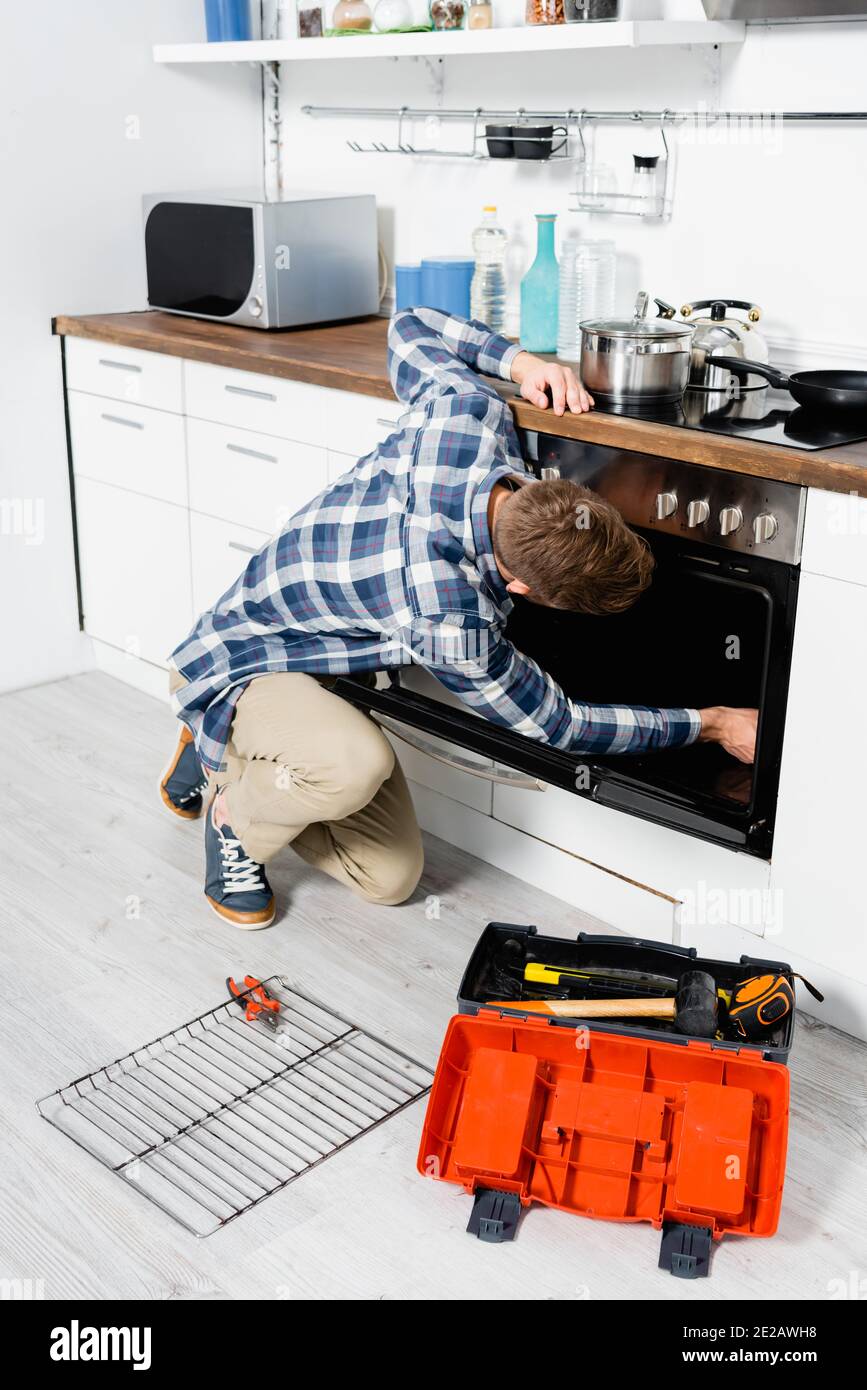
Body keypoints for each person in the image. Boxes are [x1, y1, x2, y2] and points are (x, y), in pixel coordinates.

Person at [160, 308, 757, 929]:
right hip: (247, 654)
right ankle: (231, 810)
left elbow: (411, 324)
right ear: (522, 585)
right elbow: (561, 725)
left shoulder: (467, 417)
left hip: (332, 660)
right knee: (350, 765)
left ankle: (228, 750)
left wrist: (524, 366)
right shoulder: (450, 619)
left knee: (389, 880)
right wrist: (713, 724)